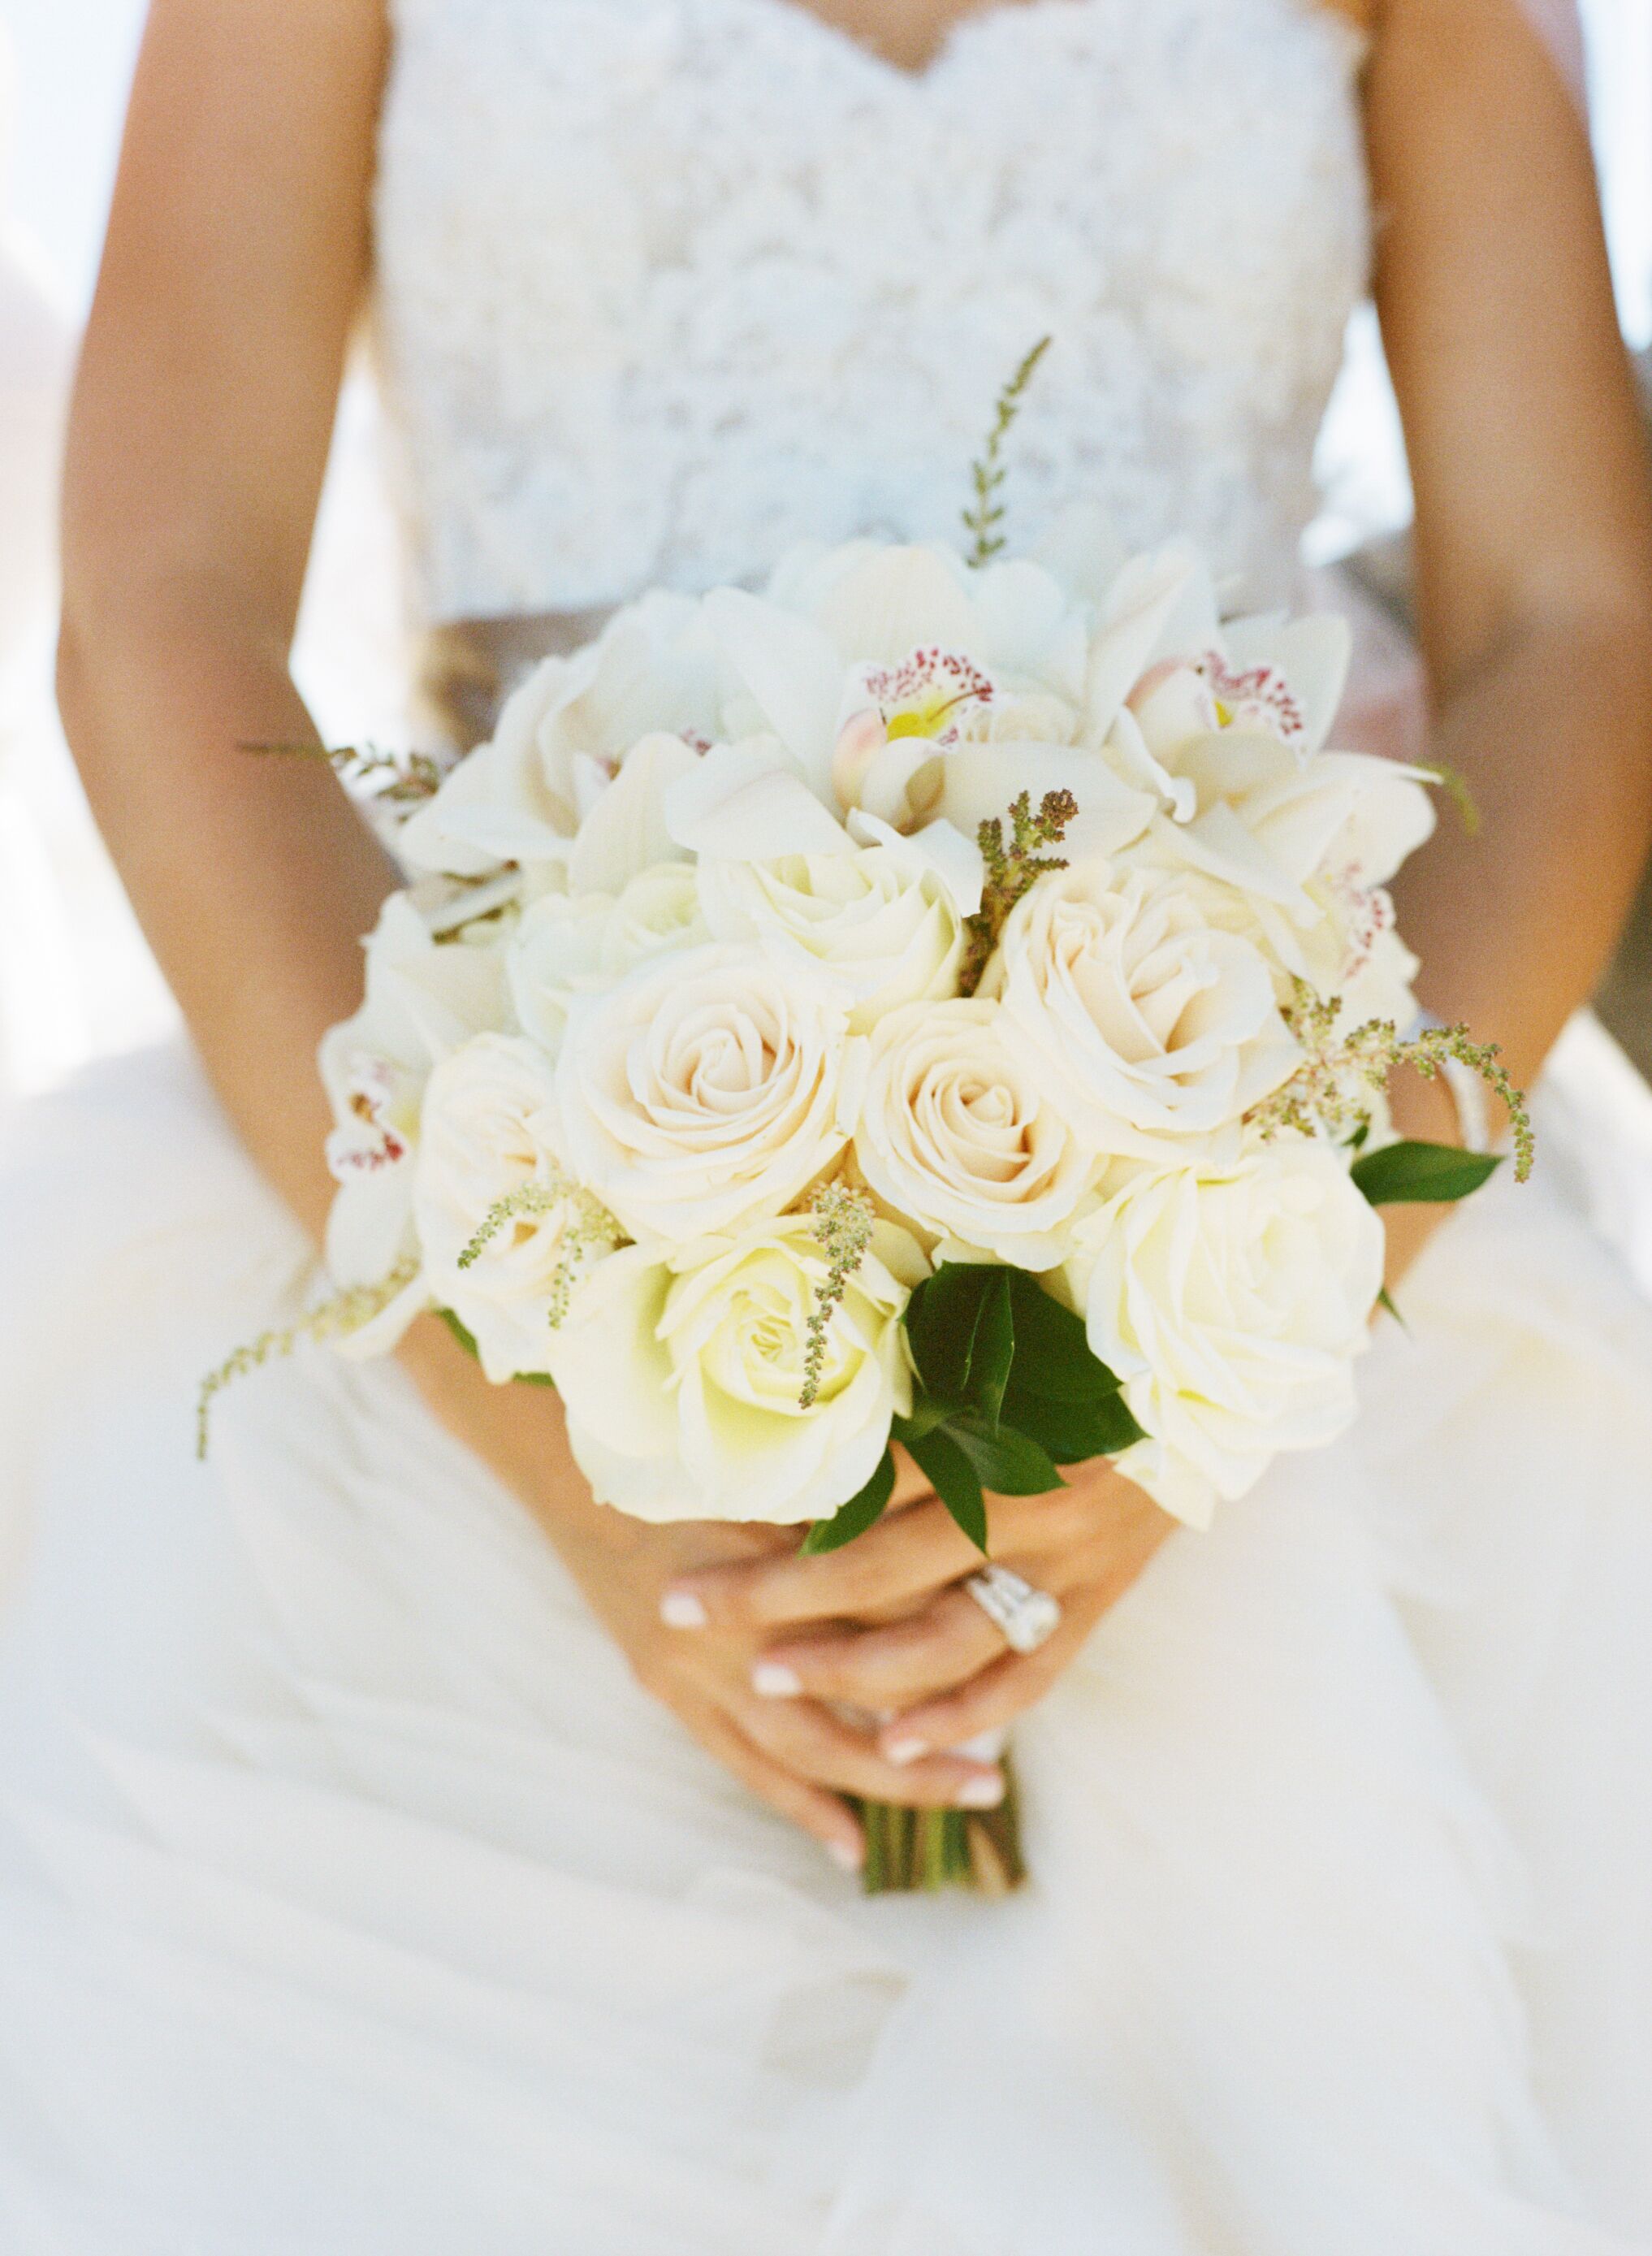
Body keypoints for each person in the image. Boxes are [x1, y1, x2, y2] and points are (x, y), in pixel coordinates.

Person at [2, 0, 1650, 2245]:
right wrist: (526, 1383)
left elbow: (1569, 619)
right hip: (485, 1202)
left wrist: (1240, 1324)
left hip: (1260, 1209)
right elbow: (161, 601)